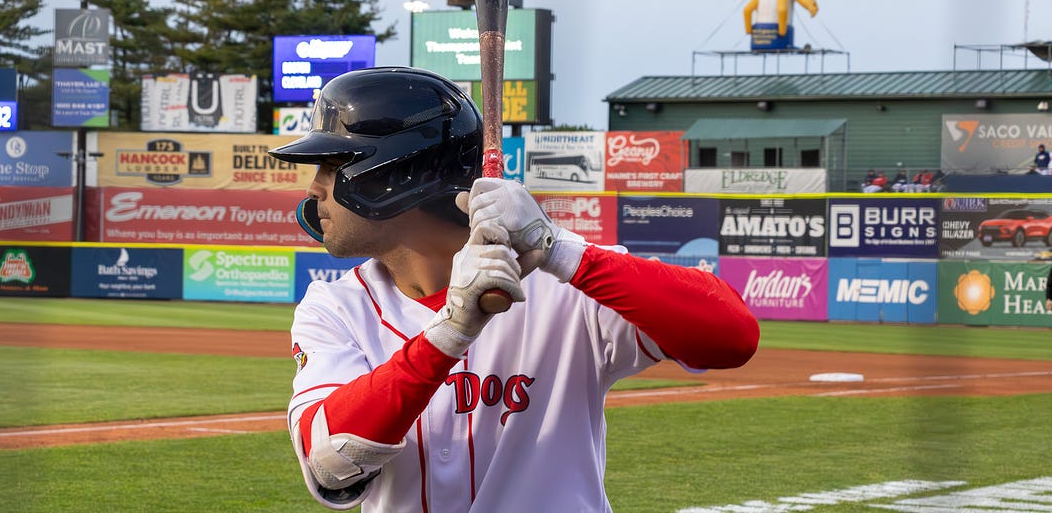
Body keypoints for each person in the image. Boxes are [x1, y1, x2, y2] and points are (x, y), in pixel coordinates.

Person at [267, 67, 760, 512]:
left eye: (332, 168)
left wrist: (559, 248)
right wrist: (450, 333)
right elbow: (331, 462)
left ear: (393, 178)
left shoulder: (566, 281)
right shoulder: (334, 308)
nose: (314, 189)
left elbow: (731, 337)